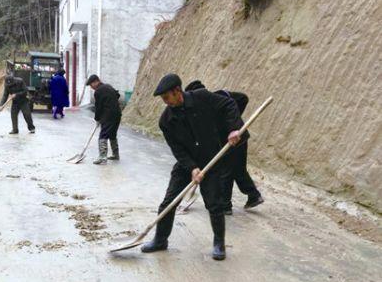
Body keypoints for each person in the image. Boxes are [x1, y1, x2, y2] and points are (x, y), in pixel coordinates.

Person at [141, 73, 244, 260]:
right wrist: (192, 168)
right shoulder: (166, 121)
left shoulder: (202, 98)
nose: (166, 102)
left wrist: (233, 128)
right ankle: (160, 239)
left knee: (214, 204)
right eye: (163, 99)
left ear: (177, 91)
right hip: (185, 164)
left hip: (211, 160)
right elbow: (177, 149)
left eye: (167, 98)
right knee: (169, 202)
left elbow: (229, 104)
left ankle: (219, 243)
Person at [184, 80, 264, 215]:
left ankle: (225, 206)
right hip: (240, 138)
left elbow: (243, 99)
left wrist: (232, 121)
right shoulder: (217, 98)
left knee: (225, 171)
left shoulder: (215, 99)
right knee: (239, 169)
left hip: (234, 139)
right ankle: (254, 196)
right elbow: (242, 98)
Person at [86, 74, 122, 165]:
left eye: (91, 85)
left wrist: (97, 118)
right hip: (117, 114)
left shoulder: (98, 91)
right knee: (112, 134)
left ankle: (102, 157)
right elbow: (117, 95)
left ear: (96, 81)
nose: (91, 87)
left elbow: (98, 107)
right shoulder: (108, 86)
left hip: (108, 116)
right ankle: (115, 154)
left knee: (103, 135)